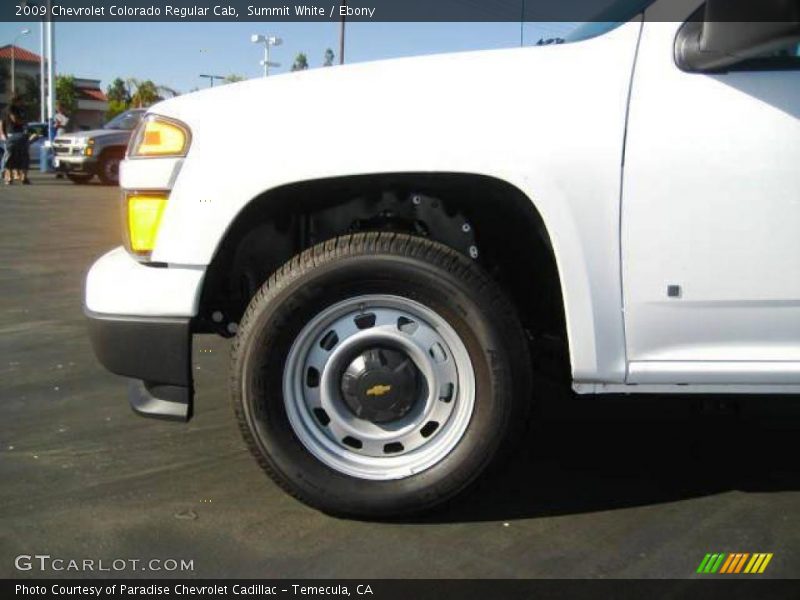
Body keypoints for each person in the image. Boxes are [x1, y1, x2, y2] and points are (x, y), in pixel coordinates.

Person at [0, 95, 31, 185]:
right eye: (21, 101)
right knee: (13, 156)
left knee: (17, 156)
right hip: (13, 134)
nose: (22, 103)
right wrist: (23, 122)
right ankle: (10, 176)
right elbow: (14, 119)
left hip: (17, 134)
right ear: (16, 101)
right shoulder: (10, 109)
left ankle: (20, 177)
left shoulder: (19, 109)